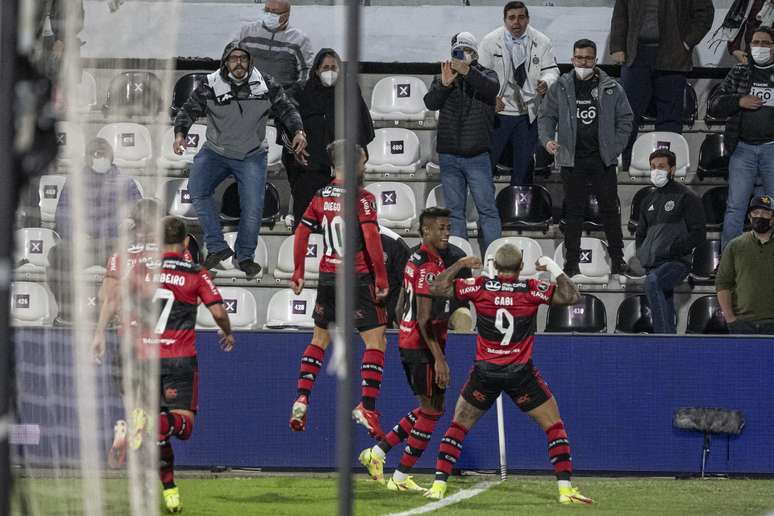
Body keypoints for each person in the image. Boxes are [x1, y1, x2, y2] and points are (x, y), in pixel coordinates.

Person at [422, 245, 592, 505]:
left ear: (494, 265)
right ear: (521, 266)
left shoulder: (479, 287)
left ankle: (437, 486)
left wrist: (459, 264)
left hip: (485, 373)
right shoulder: (532, 289)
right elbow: (572, 296)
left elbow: (435, 288)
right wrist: (553, 267)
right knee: (554, 426)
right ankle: (565, 489)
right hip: (519, 373)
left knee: (458, 426)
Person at [92, 215, 234, 514]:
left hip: (142, 358)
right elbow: (219, 310)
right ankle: (141, 427)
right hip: (179, 359)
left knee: (156, 433)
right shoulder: (196, 272)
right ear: (185, 243)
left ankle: (169, 490)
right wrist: (227, 330)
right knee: (182, 428)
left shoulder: (139, 270)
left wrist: (99, 334)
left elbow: (112, 298)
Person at [358, 208, 480, 492]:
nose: (446, 232)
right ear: (425, 231)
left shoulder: (415, 257)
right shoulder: (428, 266)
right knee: (433, 412)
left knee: (428, 408)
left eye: (448, 227)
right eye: (440, 228)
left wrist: (407, 328)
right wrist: (439, 359)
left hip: (411, 341)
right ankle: (400, 477)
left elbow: (401, 306)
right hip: (423, 346)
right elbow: (424, 318)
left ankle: (377, 453)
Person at [173, 40, 306, 279]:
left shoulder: (265, 84)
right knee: (197, 189)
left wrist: (298, 131)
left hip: (251, 154)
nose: (238, 63)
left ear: (250, 61)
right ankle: (217, 247)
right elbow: (188, 110)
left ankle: (244, 256)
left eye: (243, 58)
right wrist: (180, 134)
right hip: (216, 151)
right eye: (233, 59)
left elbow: (287, 109)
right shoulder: (210, 84)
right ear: (225, 62)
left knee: (253, 208)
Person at [288, 140, 390, 439]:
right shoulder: (362, 197)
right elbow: (371, 238)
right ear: (354, 164)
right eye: (362, 161)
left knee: (319, 339)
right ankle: (368, 406)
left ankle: (302, 397)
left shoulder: (321, 195)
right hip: (357, 277)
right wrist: (382, 279)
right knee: (376, 342)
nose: (365, 166)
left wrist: (297, 270)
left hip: (328, 276)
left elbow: (302, 230)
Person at [538, 39, 633, 277]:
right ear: (572, 59)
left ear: (595, 60)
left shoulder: (611, 87)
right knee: (574, 213)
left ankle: (618, 260)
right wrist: (548, 140)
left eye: (588, 58)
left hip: (602, 159)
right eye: (579, 58)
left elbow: (626, 120)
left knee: (610, 210)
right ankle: (571, 264)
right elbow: (546, 116)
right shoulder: (560, 86)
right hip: (572, 159)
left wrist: (615, 148)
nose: (584, 62)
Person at [610, 0, 714, 171]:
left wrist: (686, 43)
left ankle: (665, 168)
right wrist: (617, 46)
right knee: (627, 115)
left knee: (669, 118)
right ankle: (624, 165)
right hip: (636, 55)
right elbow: (620, 13)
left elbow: (705, 13)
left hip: (673, 56)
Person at [48, 137, 142, 324]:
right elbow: (62, 214)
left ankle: (121, 313)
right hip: (84, 245)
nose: (101, 158)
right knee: (57, 254)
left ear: (111, 157)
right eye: (96, 155)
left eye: (104, 155)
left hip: (114, 244)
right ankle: (68, 312)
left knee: (135, 256)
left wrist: (132, 219)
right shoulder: (75, 181)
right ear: (88, 158)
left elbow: (141, 209)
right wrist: (74, 232)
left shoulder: (125, 181)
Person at [424, 32, 502, 253]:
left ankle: (493, 260)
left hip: (477, 156)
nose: (460, 56)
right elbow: (430, 103)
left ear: (475, 53)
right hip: (449, 156)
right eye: (457, 51)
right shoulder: (444, 76)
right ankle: (460, 261)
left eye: (466, 51)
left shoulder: (487, 74)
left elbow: (491, 89)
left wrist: (467, 71)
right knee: (455, 212)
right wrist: (445, 85)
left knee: (487, 210)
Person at [284, 48, 374, 230]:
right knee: (307, 228)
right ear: (316, 70)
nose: (330, 72)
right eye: (325, 67)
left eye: (334, 67)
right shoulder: (301, 92)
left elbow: (362, 128)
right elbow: (284, 121)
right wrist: (294, 149)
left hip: (342, 176)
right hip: (309, 174)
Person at [478, 2, 559, 185]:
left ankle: (520, 211)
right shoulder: (490, 41)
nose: (517, 22)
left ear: (528, 19)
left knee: (523, 169)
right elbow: (480, 76)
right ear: (505, 20)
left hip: (527, 115)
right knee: (486, 166)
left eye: (521, 17)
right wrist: (491, 99)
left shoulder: (542, 41)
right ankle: (487, 211)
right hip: (498, 114)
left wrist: (546, 82)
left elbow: (552, 70)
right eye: (512, 18)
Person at [709, 26, 774, 249]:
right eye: (756, 43)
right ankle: (730, 259)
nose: (760, 47)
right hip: (742, 149)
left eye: (765, 43)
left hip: (772, 150)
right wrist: (739, 101)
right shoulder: (739, 71)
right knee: (735, 207)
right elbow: (715, 104)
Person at [635, 149, 706, 334]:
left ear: (672, 169)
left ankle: (662, 339)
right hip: (653, 263)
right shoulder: (647, 200)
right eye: (652, 167)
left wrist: (674, 250)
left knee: (653, 283)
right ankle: (669, 340)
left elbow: (699, 234)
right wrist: (642, 254)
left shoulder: (687, 197)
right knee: (662, 294)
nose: (656, 171)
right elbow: (640, 234)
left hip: (677, 262)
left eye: (661, 167)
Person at [716, 195, 774, 334]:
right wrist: (730, 319)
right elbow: (723, 284)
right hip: (742, 325)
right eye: (756, 213)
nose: (760, 216)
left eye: (766, 213)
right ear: (749, 217)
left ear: (773, 218)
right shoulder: (735, 245)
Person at [236, 0, 315, 99]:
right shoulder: (247, 32)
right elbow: (232, 60)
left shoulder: (299, 40)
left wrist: (290, 94)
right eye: (267, 10)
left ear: (286, 15)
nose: (269, 14)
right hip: (248, 96)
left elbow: (307, 71)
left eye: (275, 12)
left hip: (282, 98)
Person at [380, 225, 413, 329]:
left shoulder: (394, 243)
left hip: (386, 317)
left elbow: (407, 284)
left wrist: (397, 315)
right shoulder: (337, 237)